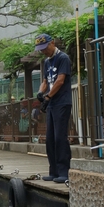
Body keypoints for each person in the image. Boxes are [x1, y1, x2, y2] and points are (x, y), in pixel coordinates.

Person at [35, 34, 72, 184]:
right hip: (51, 103)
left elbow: (60, 80)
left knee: (59, 137)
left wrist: (49, 97)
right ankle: (54, 171)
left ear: (52, 43)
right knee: (49, 138)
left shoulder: (63, 58)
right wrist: (40, 92)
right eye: (40, 49)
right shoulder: (46, 61)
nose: (43, 51)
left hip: (62, 102)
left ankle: (64, 172)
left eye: (45, 48)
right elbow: (45, 81)